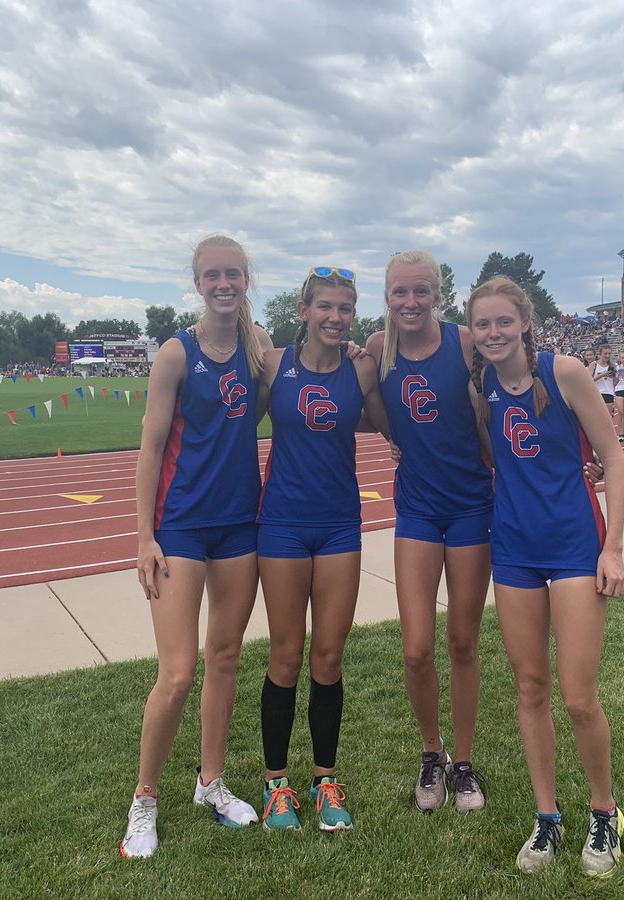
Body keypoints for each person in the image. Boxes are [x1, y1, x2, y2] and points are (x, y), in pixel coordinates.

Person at [467, 276, 624, 878]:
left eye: (503, 322)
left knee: (578, 695)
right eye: (482, 324)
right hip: (513, 548)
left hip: (574, 545)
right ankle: (546, 817)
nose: (493, 333)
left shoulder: (564, 372)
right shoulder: (479, 384)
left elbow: (615, 458)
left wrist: (613, 548)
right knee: (530, 687)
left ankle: (604, 811)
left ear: (525, 321)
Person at [123, 234, 274, 858]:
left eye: (233, 274)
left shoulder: (258, 346)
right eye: (212, 275)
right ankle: (144, 799)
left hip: (240, 522)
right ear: (197, 283)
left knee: (226, 657)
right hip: (181, 526)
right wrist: (144, 537)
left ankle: (210, 782)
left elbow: (278, 397)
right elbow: (151, 447)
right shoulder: (175, 353)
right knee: (179, 672)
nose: (223, 284)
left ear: (246, 280)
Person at [255, 266, 390, 832]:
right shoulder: (273, 364)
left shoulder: (361, 368)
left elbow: (397, 428)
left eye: (345, 308)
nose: (335, 317)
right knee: (286, 656)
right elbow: (230, 424)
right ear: (304, 311)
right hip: (282, 524)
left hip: (338, 525)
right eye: (325, 307)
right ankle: (276, 786)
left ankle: (325, 780)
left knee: (329, 657)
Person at [365, 250, 493, 813]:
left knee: (463, 641)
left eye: (421, 291)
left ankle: (462, 762)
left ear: (437, 294)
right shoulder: (377, 349)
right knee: (416, 648)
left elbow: (508, 399)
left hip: (471, 507)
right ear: (387, 296)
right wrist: (388, 436)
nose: (410, 301)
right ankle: (431, 751)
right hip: (417, 510)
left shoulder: (465, 342)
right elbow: (353, 402)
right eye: (400, 291)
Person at [589, 345, 616, 417]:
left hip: (609, 394)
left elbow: (613, 384)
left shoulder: (612, 366)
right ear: (600, 354)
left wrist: (617, 378)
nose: (607, 356)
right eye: (605, 353)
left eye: (609, 354)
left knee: (608, 418)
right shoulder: (594, 364)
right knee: (596, 417)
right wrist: (601, 375)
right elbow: (588, 381)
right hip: (597, 394)